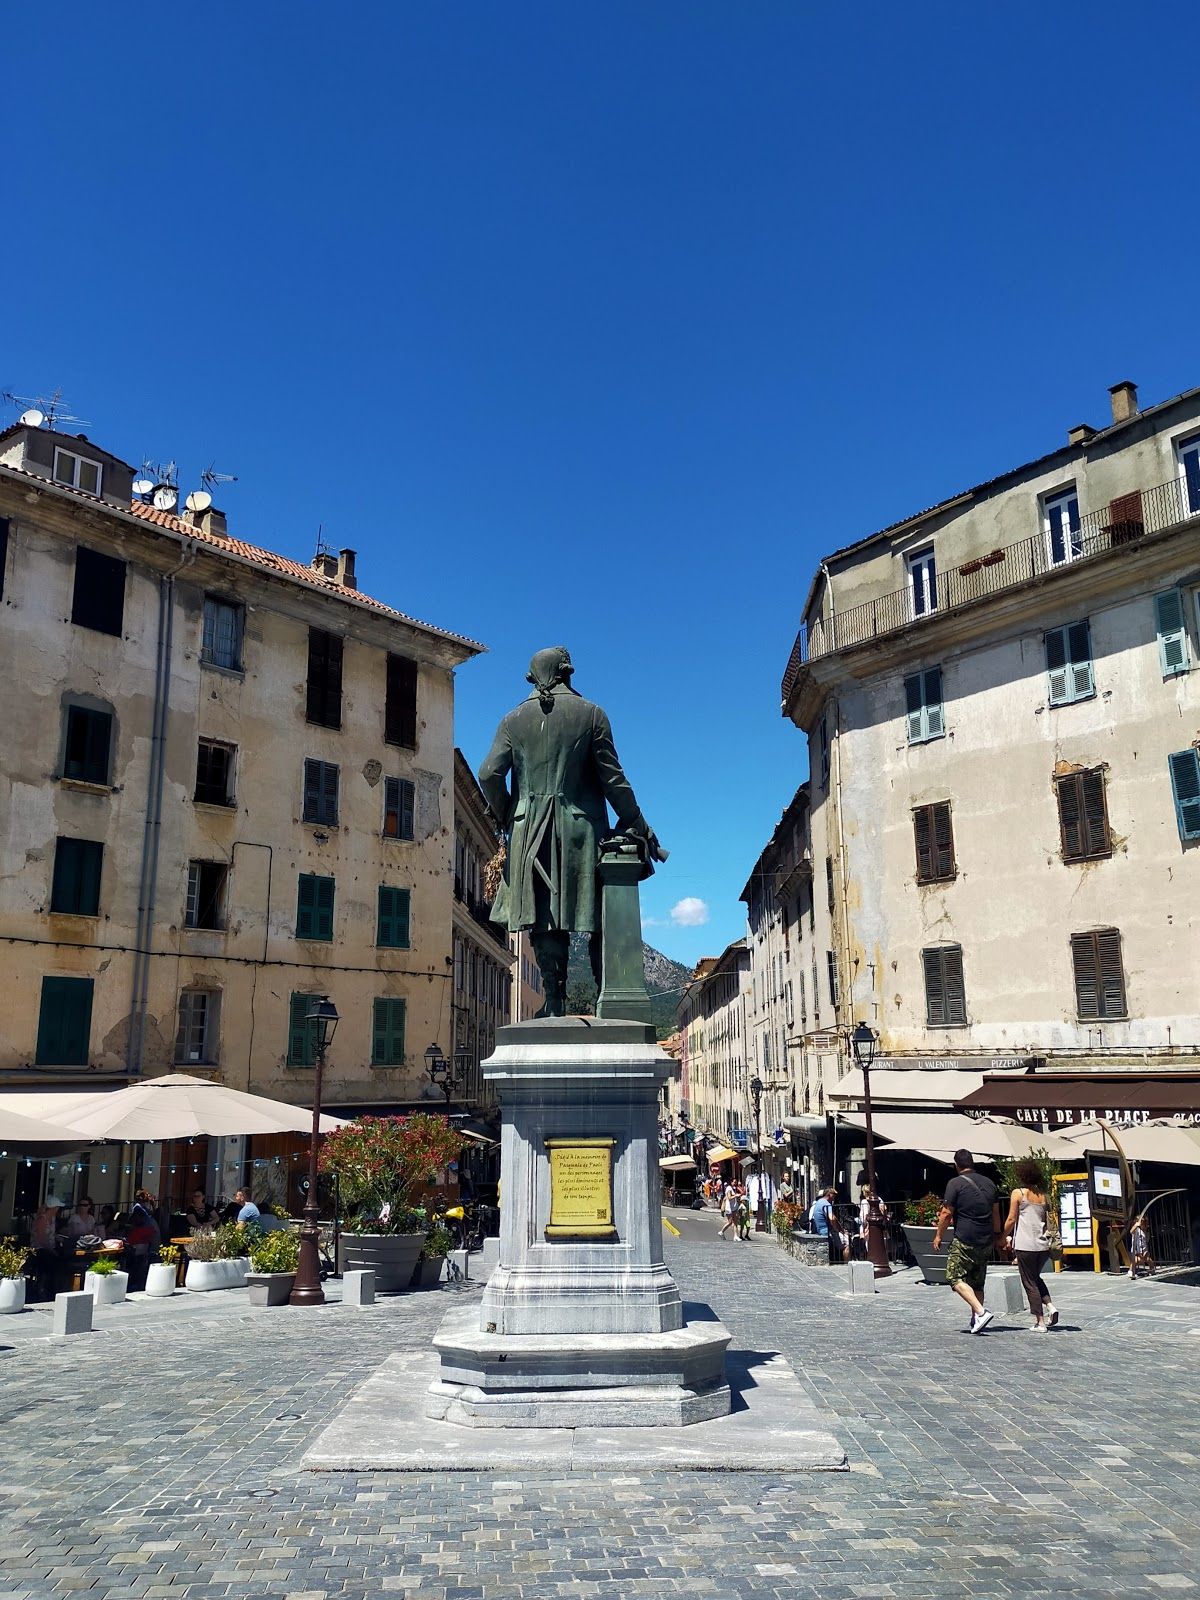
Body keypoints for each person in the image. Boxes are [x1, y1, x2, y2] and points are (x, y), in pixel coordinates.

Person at [478, 646, 665, 1016]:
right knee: (597, 916)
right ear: (568, 673)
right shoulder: (591, 714)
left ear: (533, 677)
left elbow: (488, 775)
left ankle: (554, 1000)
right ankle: (606, 1001)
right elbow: (613, 780)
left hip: (528, 832)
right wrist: (638, 823)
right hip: (582, 830)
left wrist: (509, 816)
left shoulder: (512, 720)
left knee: (544, 917)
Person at [933, 1149, 1002, 1334]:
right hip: (986, 1239)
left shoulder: (954, 1184)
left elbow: (947, 1213)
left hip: (965, 1238)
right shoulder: (989, 1183)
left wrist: (939, 1235)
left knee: (953, 1277)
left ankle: (980, 1312)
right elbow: (996, 1213)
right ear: (972, 1163)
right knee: (977, 1281)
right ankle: (976, 1321)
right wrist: (997, 1235)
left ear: (956, 1165)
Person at [1003, 1158, 1059, 1332]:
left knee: (1029, 1282)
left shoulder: (1018, 1193)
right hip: (1043, 1246)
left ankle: (1040, 1321)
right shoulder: (1044, 1195)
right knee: (1035, 1278)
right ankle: (1050, 1306)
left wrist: (1001, 1236)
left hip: (1025, 1245)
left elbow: (1012, 1219)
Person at [810, 1187, 848, 1264]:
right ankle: (847, 1263)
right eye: (834, 1195)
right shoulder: (827, 1204)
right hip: (827, 1231)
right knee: (847, 1244)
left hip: (820, 1230)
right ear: (829, 1194)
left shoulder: (819, 1202)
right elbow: (832, 1218)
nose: (834, 1197)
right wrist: (836, 1229)